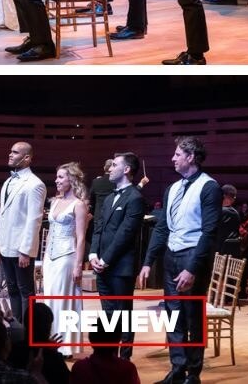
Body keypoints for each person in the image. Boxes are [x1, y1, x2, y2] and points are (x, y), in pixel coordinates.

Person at [138, 136, 222, 384]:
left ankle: (193, 374)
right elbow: (162, 228)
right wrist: (147, 261)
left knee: (192, 316)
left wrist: (193, 268)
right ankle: (177, 370)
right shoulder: (172, 188)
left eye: (177, 154)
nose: (172, 158)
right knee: (172, 315)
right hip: (172, 255)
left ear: (191, 157)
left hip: (192, 255)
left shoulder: (209, 187)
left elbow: (209, 232)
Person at [89, 152, 146, 360]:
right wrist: (94, 253)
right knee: (108, 314)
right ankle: (108, 354)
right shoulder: (110, 197)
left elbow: (126, 233)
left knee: (124, 314)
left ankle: (124, 359)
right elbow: (98, 227)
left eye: (114, 165)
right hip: (101, 264)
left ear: (127, 169)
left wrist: (105, 260)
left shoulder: (135, 198)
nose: (110, 169)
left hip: (120, 267)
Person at [0, 142, 47, 321]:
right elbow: (2, 216)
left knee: (25, 291)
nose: (10, 154)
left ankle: (28, 332)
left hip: (21, 248)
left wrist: (26, 250)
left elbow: (34, 220)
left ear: (27, 158)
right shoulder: (8, 181)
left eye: (15, 152)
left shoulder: (35, 184)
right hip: (6, 245)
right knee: (12, 288)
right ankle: (16, 327)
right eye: (10, 151)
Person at [41, 162, 88, 358]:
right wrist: (44, 259)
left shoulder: (79, 205)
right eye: (57, 177)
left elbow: (81, 237)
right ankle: (51, 342)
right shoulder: (54, 202)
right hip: (51, 257)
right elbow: (50, 232)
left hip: (67, 256)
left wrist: (78, 265)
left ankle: (65, 346)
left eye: (61, 177)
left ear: (72, 179)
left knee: (63, 299)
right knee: (50, 297)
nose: (57, 180)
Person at [219, 184, 242, 255]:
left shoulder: (223, 211)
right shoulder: (234, 212)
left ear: (223, 196)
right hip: (230, 251)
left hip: (220, 252)